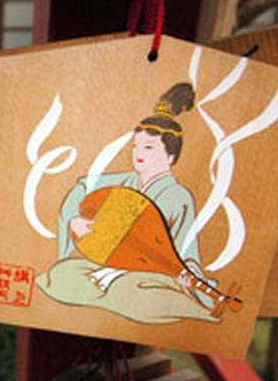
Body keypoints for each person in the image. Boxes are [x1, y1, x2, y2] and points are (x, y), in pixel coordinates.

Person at [36, 82, 218, 324]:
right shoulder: (124, 182)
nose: (138, 153)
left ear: (170, 155)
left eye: (149, 147)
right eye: (135, 146)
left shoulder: (178, 197)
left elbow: (187, 251)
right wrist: (76, 222)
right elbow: (82, 187)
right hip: (112, 265)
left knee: (137, 293)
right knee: (61, 274)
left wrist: (188, 276)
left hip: (152, 275)